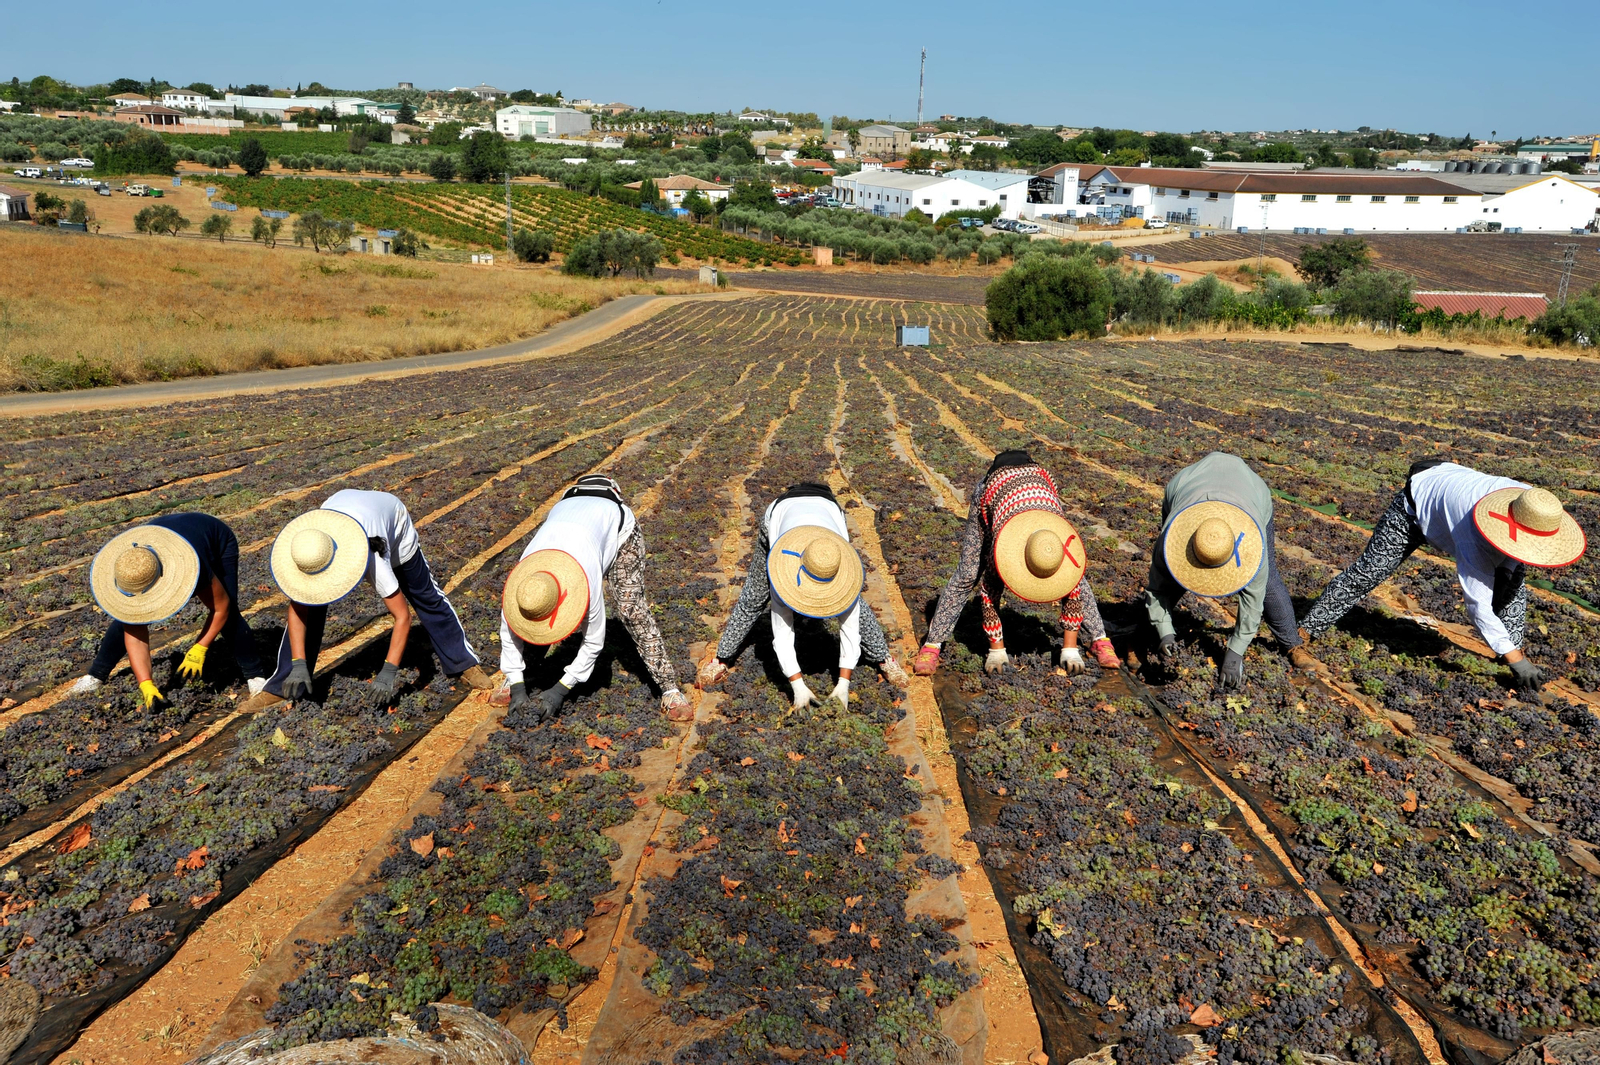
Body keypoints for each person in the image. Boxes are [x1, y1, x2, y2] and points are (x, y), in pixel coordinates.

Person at [1299, 461, 1586, 693]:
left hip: (1452, 486)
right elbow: (1478, 605)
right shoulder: (1473, 536)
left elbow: (1515, 555)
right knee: (1370, 571)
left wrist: (1508, 577)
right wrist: (1518, 661)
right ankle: (1303, 631)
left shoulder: (1532, 505)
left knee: (1512, 586)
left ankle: (1508, 654)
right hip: (1415, 504)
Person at [265, 489, 490, 705]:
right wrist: (298, 663)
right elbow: (297, 609)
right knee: (310, 603)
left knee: (425, 594)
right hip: (342, 505)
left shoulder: (374, 560)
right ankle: (283, 683)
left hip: (392, 518)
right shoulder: (309, 546)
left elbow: (402, 617)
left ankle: (462, 662)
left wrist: (388, 672)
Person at [498, 475, 691, 722]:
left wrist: (559, 691)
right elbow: (509, 632)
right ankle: (521, 675)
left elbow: (593, 642)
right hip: (568, 512)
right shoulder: (523, 584)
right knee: (536, 614)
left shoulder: (585, 578)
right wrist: (516, 686)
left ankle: (670, 690)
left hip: (617, 526)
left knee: (632, 611)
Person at [913, 449, 1120, 677]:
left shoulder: (1055, 546)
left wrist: (1070, 649)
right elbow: (989, 591)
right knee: (967, 574)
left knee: (1075, 576)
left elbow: (1072, 589)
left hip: (1038, 488)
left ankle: (1099, 638)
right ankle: (932, 644)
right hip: (995, 492)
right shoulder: (1002, 549)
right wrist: (997, 650)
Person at [698, 482, 907, 706]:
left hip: (827, 511)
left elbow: (850, 627)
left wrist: (843, 684)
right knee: (754, 597)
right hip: (780, 517)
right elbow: (782, 632)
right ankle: (721, 658)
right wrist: (798, 686)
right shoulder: (784, 574)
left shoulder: (834, 556)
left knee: (852, 603)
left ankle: (883, 658)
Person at [1143, 451, 1314, 689]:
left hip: (1248, 494)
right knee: (1172, 576)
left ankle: (1292, 644)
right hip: (1189, 486)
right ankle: (1147, 635)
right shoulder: (1170, 539)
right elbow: (1156, 588)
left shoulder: (1253, 546)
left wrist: (1236, 651)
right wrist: (1166, 633)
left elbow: (1254, 600)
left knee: (1269, 580)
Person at [76, 513, 267, 706]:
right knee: (129, 617)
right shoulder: (128, 566)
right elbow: (134, 633)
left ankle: (256, 677)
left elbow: (221, 608)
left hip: (214, 537)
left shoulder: (193, 565)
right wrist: (146, 684)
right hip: (163, 533)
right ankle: (96, 675)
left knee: (230, 615)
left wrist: (200, 647)